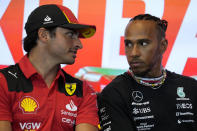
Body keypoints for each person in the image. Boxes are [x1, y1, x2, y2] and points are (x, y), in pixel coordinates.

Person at [0, 4, 99, 131]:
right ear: (44, 35)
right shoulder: (3, 82)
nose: (79, 44)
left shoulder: (83, 91)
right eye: (70, 35)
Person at [97, 14, 197, 131]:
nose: (134, 53)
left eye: (143, 43)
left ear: (163, 46)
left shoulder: (191, 88)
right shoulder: (114, 93)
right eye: (128, 44)